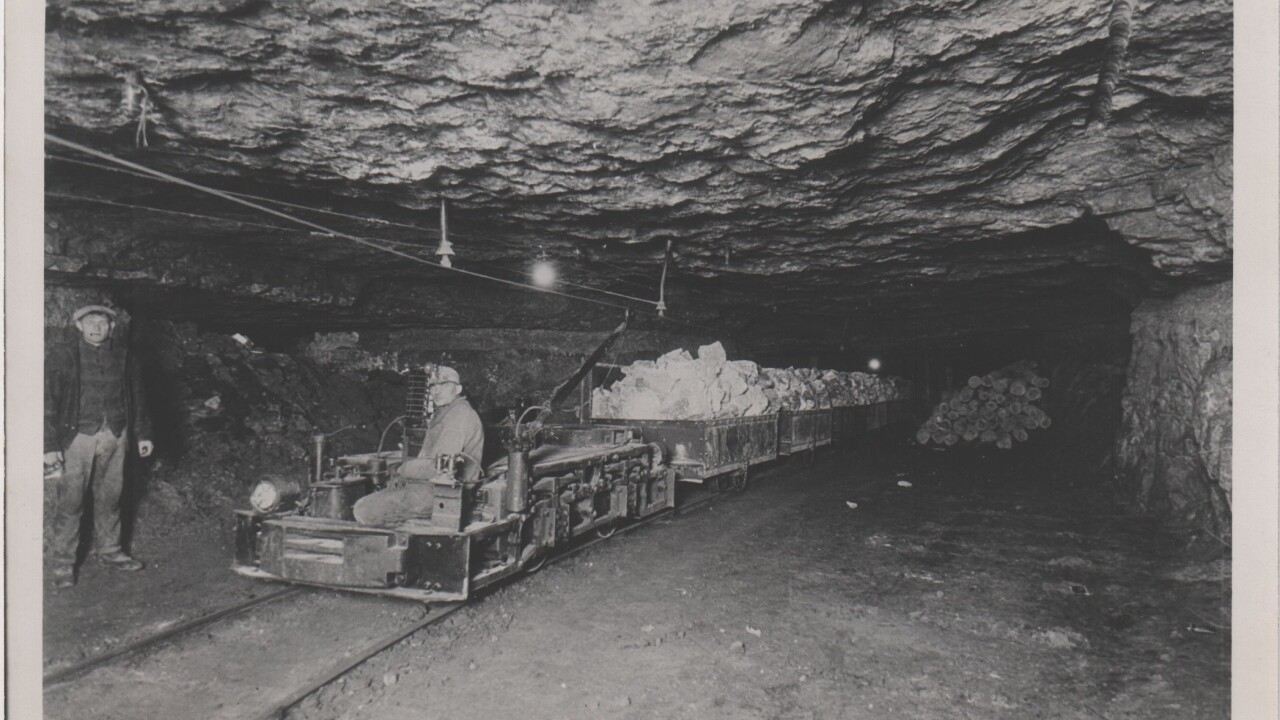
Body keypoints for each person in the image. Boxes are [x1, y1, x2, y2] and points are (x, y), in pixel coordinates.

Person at [44, 305, 155, 588]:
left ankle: (111, 551)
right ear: (79, 326)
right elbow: (46, 401)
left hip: (115, 434)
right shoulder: (63, 356)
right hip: (77, 436)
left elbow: (138, 397)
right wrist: (49, 444)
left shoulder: (125, 357)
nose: (96, 327)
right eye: (89, 321)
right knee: (71, 501)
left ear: (112, 327)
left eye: (102, 322)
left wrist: (143, 434)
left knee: (112, 496)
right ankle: (63, 564)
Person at [353, 365, 484, 525]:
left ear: (458, 389)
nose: (437, 391)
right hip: (429, 486)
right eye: (433, 386)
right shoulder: (445, 412)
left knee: (363, 509)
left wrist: (402, 470)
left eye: (444, 385)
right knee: (376, 499)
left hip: (444, 493)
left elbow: (439, 467)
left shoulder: (459, 415)